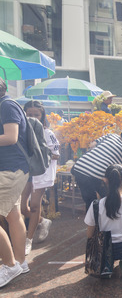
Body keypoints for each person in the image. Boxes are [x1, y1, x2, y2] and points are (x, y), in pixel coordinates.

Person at [85, 164, 122, 278]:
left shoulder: (96, 205)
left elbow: (89, 234)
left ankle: (107, 264)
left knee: (106, 254)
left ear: (105, 181)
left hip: (103, 249)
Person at [0, 77, 30, 287]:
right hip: (11, 169)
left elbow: (11, 137)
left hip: (11, 169)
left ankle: (10, 266)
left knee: (13, 215)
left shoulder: (7, 105)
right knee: (13, 215)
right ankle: (20, 261)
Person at [21, 100, 60, 255]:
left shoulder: (47, 133)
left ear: (42, 116)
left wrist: (41, 152)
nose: (32, 117)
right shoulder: (20, 131)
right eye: (29, 114)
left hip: (41, 172)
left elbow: (56, 154)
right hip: (26, 172)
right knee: (23, 208)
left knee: (35, 205)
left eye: (36, 115)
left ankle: (28, 240)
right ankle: (43, 221)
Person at [71, 133, 122, 211]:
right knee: (108, 201)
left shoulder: (112, 135)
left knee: (91, 202)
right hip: (97, 174)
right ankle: (103, 221)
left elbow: (92, 145)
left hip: (80, 166)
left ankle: (93, 221)